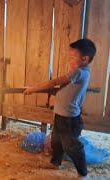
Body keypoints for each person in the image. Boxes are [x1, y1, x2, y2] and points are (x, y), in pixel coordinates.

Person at [24, 39, 96, 177]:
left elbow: (55, 82)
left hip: (69, 119)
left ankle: (83, 172)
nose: (70, 61)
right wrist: (41, 91)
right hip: (60, 117)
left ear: (85, 59)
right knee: (56, 142)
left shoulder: (80, 73)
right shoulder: (78, 74)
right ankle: (55, 163)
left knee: (71, 146)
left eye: (73, 57)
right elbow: (61, 90)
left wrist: (34, 88)